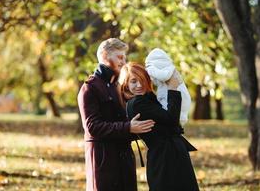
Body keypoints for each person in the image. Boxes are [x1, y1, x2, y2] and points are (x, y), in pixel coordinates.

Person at [77, 38, 155, 191]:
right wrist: (128, 128)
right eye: (120, 57)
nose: (123, 61)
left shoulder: (118, 87)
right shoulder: (89, 88)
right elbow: (92, 127)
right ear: (105, 56)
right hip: (103, 161)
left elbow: (128, 120)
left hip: (124, 159)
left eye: (124, 57)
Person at [118, 62, 199, 191]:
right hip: (165, 157)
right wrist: (173, 89)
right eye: (133, 81)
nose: (139, 85)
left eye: (142, 80)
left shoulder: (146, 99)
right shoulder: (138, 103)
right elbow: (172, 119)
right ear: (126, 84)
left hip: (167, 153)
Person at [145, 48, 191, 126]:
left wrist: (150, 69)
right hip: (172, 103)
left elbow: (163, 76)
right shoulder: (167, 72)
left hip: (179, 103)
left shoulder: (169, 69)